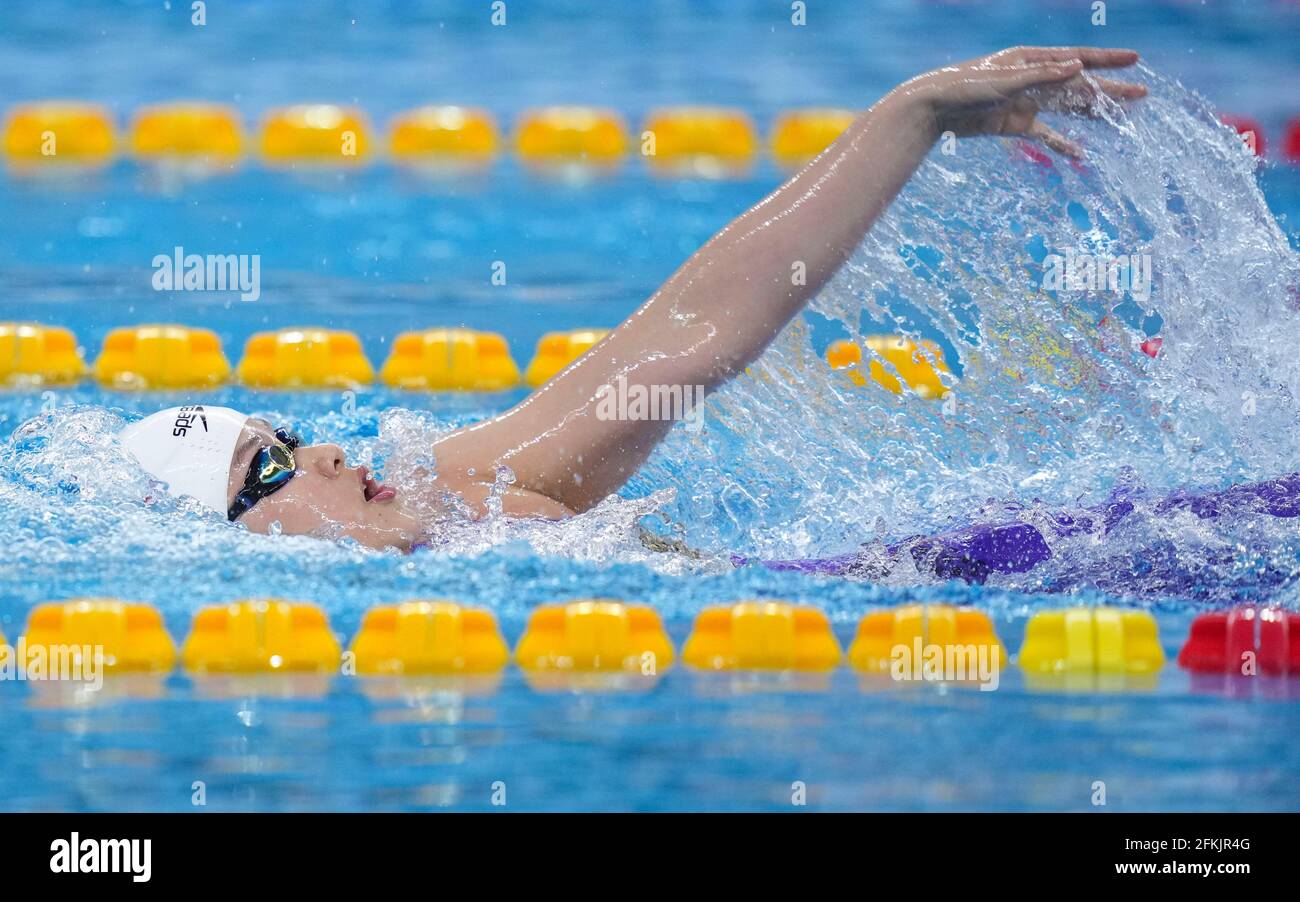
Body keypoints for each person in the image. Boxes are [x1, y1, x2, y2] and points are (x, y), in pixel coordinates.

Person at [120, 47, 1148, 554]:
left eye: (293, 435)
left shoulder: (461, 490)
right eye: (274, 464)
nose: (332, 451)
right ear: (242, 538)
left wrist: (910, 114)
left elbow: (683, 344)